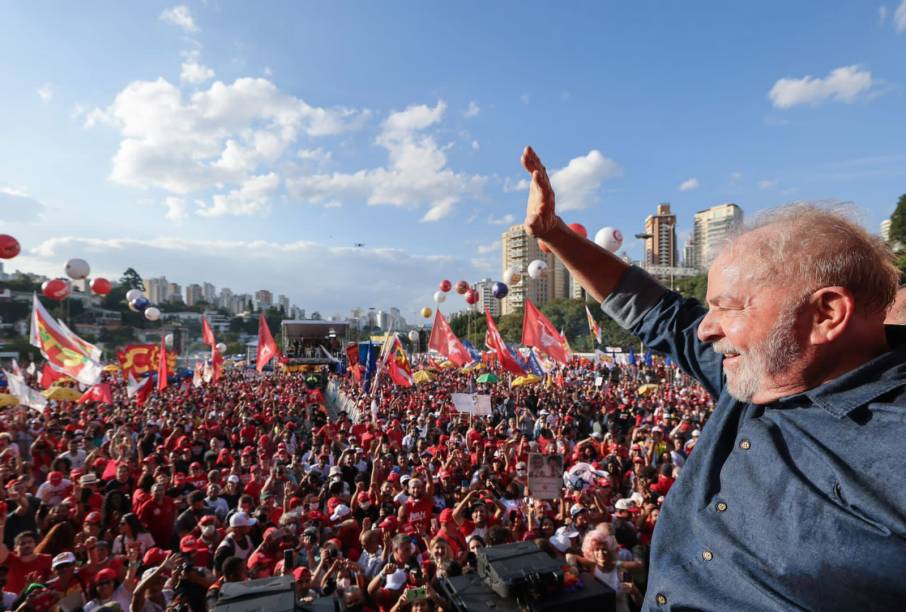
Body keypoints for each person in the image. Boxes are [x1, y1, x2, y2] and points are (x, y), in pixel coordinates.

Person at [521, 145, 906, 609]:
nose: (706, 327)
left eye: (729, 306)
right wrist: (556, 235)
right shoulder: (766, 368)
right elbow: (658, 313)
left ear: (826, 314)